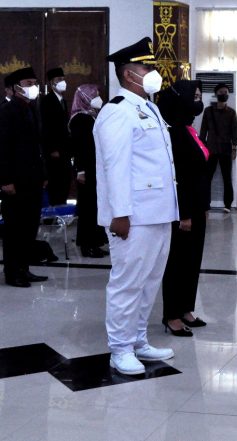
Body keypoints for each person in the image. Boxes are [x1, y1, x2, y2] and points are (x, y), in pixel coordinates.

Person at [93, 37, 179, 376]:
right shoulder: (116, 111)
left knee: (149, 281)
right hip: (134, 216)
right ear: (130, 75)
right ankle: (120, 349)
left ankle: (139, 339)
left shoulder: (150, 108)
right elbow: (115, 168)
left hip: (158, 211)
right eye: (148, 67)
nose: (154, 72)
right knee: (127, 283)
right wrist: (120, 214)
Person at [157, 80, 210, 337]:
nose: (198, 101)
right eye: (195, 96)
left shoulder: (189, 129)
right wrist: (186, 213)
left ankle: (186, 308)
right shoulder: (175, 132)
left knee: (193, 261)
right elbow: (180, 177)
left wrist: (204, 206)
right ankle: (172, 315)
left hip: (197, 207)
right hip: (183, 211)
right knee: (177, 263)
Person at [0, 66, 48, 288]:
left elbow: (37, 146)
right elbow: (3, 148)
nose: (33, 87)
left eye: (34, 83)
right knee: (14, 230)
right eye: (29, 84)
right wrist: (5, 180)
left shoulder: (31, 108)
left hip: (33, 180)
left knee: (29, 227)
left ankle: (24, 268)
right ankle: (13, 273)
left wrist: (43, 174)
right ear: (17, 87)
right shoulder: (7, 111)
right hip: (15, 182)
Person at [70, 84, 107, 258]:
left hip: (95, 168)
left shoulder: (91, 116)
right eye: (95, 95)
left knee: (95, 206)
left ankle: (95, 242)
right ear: (85, 97)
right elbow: (79, 148)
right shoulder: (80, 119)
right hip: (86, 170)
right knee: (87, 208)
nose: (98, 97)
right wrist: (81, 170)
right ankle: (87, 244)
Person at [200, 83, 237, 213]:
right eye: (221, 92)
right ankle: (205, 203)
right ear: (216, 94)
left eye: (226, 92)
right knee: (207, 178)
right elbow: (203, 130)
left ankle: (228, 204)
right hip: (210, 149)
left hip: (226, 149)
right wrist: (202, 147)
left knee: (227, 178)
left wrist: (234, 148)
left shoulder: (232, 113)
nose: (224, 94)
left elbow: (234, 132)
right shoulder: (208, 111)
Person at [41, 67, 73, 206]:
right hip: (54, 152)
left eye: (63, 79)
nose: (62, 82)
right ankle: (53, 216)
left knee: (65, 181)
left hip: (64, 150)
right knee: (55, 184)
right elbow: (46, 127)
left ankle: (61, 210)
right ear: (52, 83)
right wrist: (52, 149)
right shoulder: (47, 100)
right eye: (59, 80)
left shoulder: (63, 101)